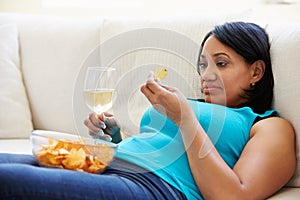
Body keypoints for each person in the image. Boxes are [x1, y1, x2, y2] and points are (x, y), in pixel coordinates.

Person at [0, 22, 296, 200]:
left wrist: (185, 118)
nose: (206, 74)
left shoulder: (268, 126)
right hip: (101, 165)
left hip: (149, 187)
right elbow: (152, 147)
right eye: (203, 64)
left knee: (8, 181)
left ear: (256, 71)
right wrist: (113, 139)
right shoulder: (192, 105)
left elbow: (234, 196)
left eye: (221, 63)